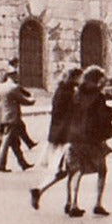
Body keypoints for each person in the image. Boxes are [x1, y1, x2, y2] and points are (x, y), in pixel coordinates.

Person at [64, 65, 112, 217]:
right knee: (102, 170)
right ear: (97, 80)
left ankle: (72, 203)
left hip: (74, 137)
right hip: (92, 140)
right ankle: (98, 203)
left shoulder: (76, 93)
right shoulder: (98, 96)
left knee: (75, 171)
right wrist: (110, 114)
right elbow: (101, 118)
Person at [29, 66, 82, 211]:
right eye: (79, 77)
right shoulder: (68, 93)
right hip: (67, 136)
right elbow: (72, 114)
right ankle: (72, 204)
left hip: (58, 135)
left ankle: (67, 201)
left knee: (67, 171)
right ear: (73, 77)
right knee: (75, 170)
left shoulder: (61, 91)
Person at [0, 66, 35, 172]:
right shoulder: (13, 88)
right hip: (12, 118)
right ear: (12, 75)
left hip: (3, 116)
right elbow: (24, 101)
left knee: (15, 143)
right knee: (6, 143)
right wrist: (32, 99)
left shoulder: (0, 87)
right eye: (15, 75)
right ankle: (0, 165)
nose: (17, 77)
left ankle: (23, 163)